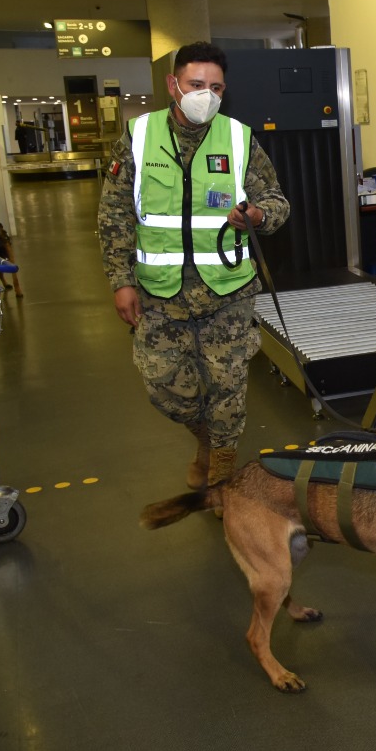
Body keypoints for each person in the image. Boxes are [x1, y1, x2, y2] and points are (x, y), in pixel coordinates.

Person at [97, 41, 290, 496]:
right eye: (196, 84)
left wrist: (257, 216)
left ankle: (222, 475)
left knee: (228, 387)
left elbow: (277, 204)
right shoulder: (139, 136)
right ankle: (205, 440)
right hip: (160, 293)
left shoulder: (239, 138)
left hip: (228, 291)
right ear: (173, 85)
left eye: (216, 87)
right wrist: (120, 280)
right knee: (165, 387)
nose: (206, 94)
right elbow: (114, 212)